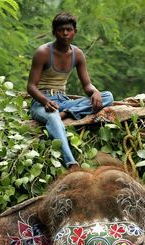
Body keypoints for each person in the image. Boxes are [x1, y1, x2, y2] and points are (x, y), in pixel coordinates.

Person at [27, 12, 114, 166]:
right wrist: (45, 101)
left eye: (69, 29)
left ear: (75, 31)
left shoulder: (78, 54)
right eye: (61, 30)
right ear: (54, 32)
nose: (65, 33)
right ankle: (71, 163)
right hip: (42, 102)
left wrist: (95, 92)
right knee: (53, 116)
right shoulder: (43, 52)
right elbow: (31, 86)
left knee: (108, 97)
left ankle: (67, 114)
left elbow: (87, 86)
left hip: (64, 102)